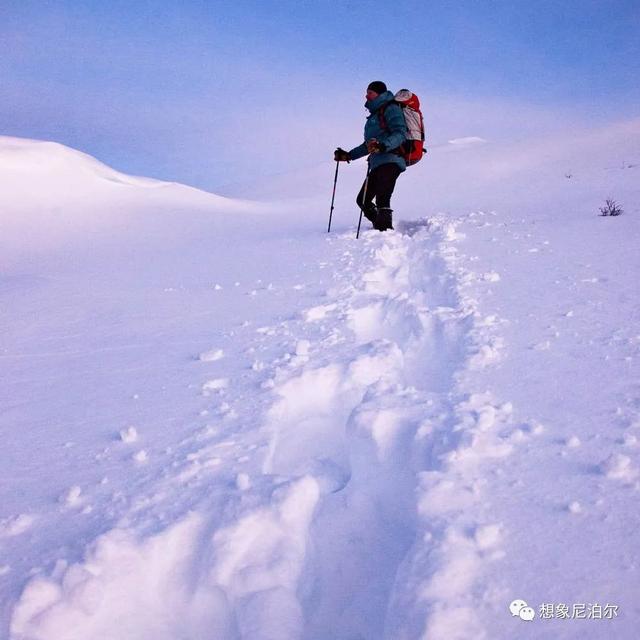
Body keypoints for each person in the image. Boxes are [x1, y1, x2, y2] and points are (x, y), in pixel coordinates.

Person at [334, 81, 407, 232]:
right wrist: (348, 155)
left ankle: (385, 232)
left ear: (379, 94)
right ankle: (380, 227)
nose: (366, 95)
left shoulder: (391, 108)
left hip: (391, 159)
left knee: (383, 197)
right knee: (363, 200)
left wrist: (383, 145)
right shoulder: (374, 116)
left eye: (370, 92)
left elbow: (400, 133)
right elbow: (367, 145)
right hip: (377, 163)